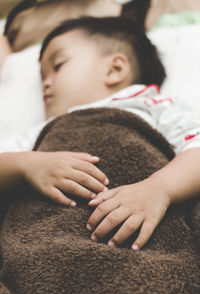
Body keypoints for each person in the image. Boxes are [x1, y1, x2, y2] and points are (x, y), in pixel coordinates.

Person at [1, 16, 200, 252]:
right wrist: (25, 166)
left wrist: (159, 189)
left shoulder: (153, 105)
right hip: (41, 245)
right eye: (43, 78)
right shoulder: (43, 129)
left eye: (57, 65)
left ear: (115, 69)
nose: (46, 83)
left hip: (140, 247)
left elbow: (196, 148)